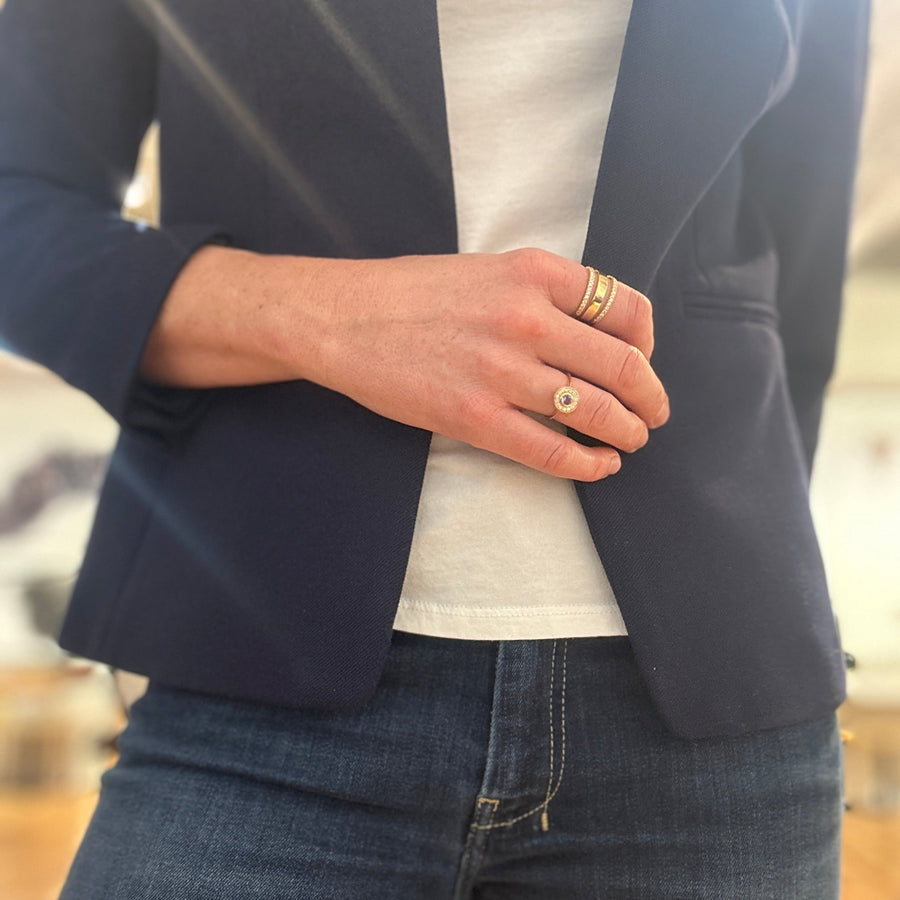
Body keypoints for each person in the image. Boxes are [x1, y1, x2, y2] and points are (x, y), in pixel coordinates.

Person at [0, 0, 869, 896]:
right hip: (255, 670)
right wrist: (331, 320)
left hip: (713, 711)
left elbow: (797, 285)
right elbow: (17, 217)